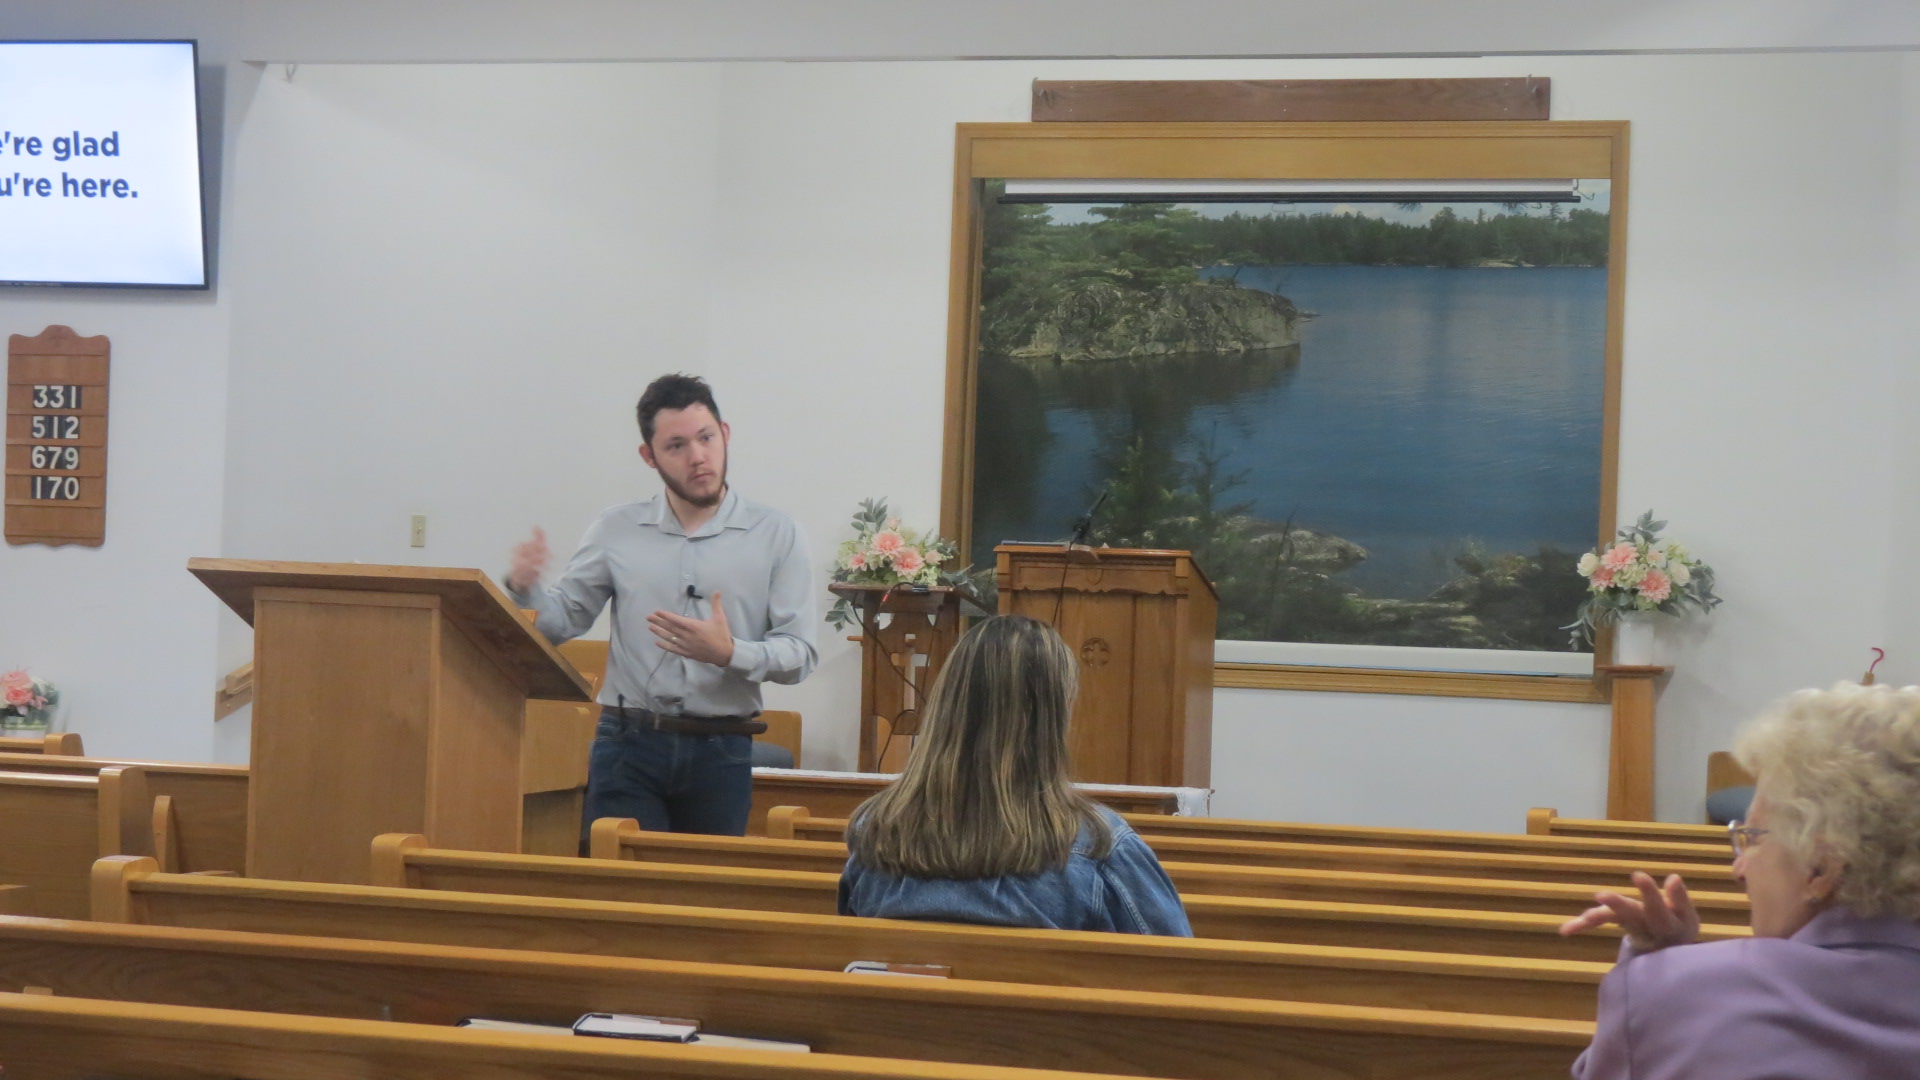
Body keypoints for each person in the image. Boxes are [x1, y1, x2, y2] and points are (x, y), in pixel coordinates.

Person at [506, 374, 816, 838]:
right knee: (619, 879)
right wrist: (524, 589)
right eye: (676, 446)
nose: (698, 457)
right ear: (648, 456)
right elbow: (561, 621)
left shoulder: (777, 533)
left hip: (722, 748)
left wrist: (730, 653)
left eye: (706, 438)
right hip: (628, 743)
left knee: (704, 883)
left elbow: (799, 654)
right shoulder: (616, 529)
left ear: (725, 434)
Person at [1560, 682, 1920, 1079]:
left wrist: (1658, 970)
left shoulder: (1683, 993)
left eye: (1753, 838)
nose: (1739, 869)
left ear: (1821, 868)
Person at [837, 614, 1191, 936]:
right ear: (1055, 715)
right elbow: (1176, 969)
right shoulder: (1100, 845)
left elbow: (851, 952)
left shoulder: (877, 832)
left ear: (947, 703)